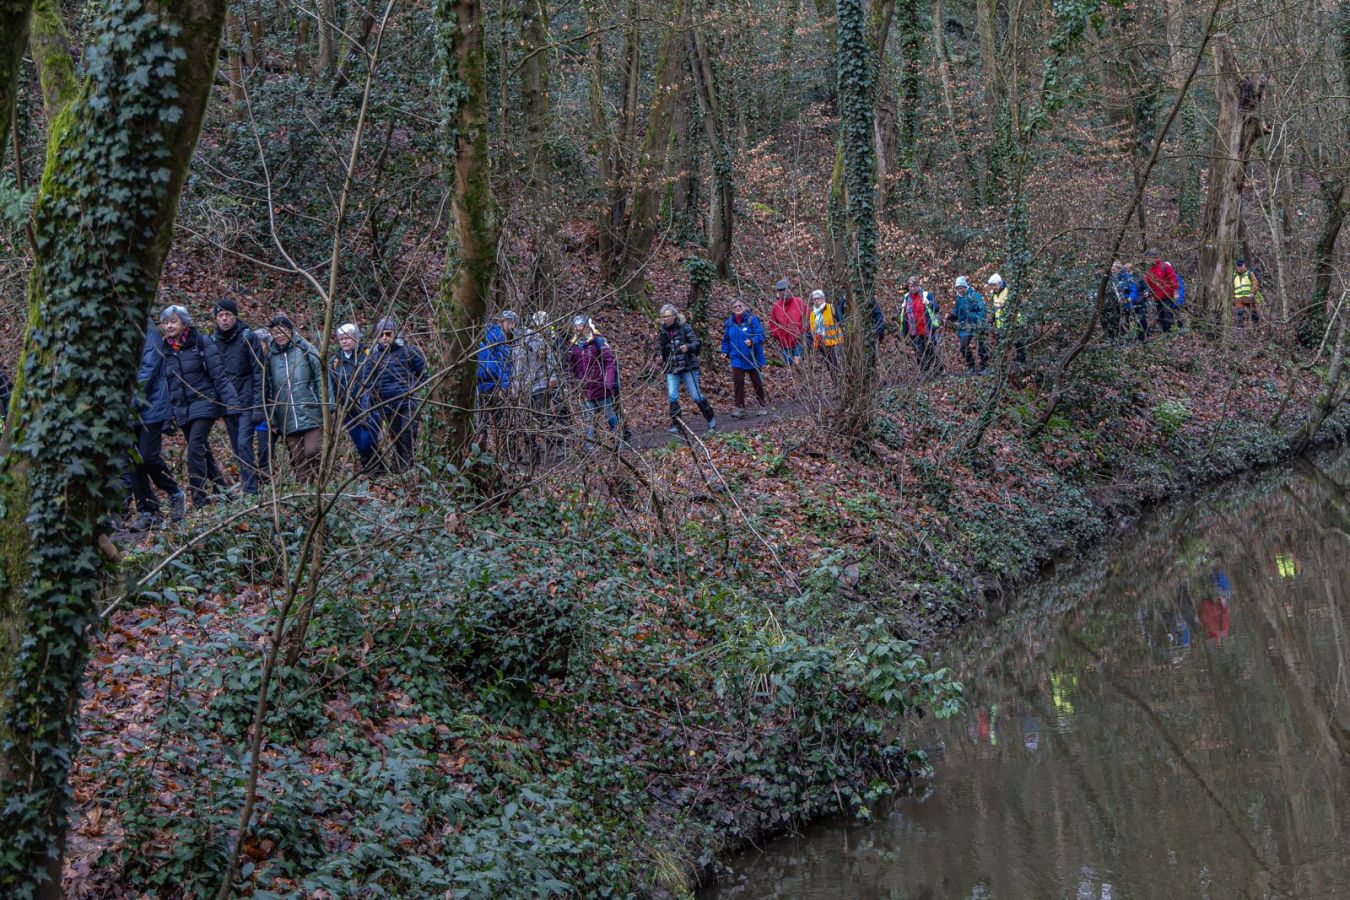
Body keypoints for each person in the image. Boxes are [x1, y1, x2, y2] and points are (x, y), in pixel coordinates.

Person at [159, 305, 239, 508]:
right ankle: (224, 491)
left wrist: (232, 403)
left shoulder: (201, 342)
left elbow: (219, 375)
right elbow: (165, 386)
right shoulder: (164, 350)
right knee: (204, 452)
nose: (169, 326)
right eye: (166, 323)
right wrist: (167, 416)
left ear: (185, 323)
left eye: (173, 321)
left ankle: (199, 501)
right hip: (182, 408)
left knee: (194, 450)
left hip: (205, 402)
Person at [128, 321, 186, 530]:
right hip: (128, 406)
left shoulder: (147, 329)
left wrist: (131, 401)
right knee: (132, 458)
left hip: (151, 405)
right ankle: (147, 511)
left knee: (147, 456)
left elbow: (149, 368)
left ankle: (174, 492)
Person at [210, 297, 264, 495]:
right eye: (220, 315)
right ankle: (251, 482)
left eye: (228, 315)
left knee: (243, 443)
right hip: (227, 404)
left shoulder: (247, 337)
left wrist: (258, 405)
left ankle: (251, 489)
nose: (224, 319)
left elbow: (259, 372)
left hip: (246, 401)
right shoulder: (212, 341)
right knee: (237, 447)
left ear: (235, 316)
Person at [265, 314, 328, 483]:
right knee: (298, 458)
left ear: (291, 331)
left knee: (313, 451)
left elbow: (321, 377)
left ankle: (321, 485)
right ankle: (305, 490)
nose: (279, 335)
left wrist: (327, 406)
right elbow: (269, 389)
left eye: (282, 331)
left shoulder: (305, 348)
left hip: (311, 412)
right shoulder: (270, 357)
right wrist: (273, 418)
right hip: (286, 416)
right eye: (275, 332)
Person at [361, 317, 426, 473]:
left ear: (395, 333)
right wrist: (367, 406)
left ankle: (407, 471)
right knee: (397, 439)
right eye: (381, 334)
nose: (384, 338)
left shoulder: (409, 351)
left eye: (388, 334)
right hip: (387, 406)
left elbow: (424, 374)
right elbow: (367, 382)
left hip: (408, 402)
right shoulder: (373, 356)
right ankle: (400, 470)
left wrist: (417, 391)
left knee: (408, 435)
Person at [658, 304, 716, 434]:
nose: (665, 319)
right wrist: (660, 357)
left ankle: (710, 417)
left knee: (696, 395)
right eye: (663, 317)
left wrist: (688, 347)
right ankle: (676, 423)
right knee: (672, 396)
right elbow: (661, 348)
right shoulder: (662, 331)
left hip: (688, 366)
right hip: (672, 368)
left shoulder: (684, 327)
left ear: (674, 316)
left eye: (667, 316)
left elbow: (697, 343)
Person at [331, 323, 379, 473]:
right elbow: (332, 385)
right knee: (359, 444)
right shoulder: (336, 361)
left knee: (367, 442)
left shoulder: (368, 355)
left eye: (348, 338)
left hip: (370, 407)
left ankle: (374, 470)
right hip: (348, 410)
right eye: (341, 339)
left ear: (356, 338)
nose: (344, 341)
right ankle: (375, 471)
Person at [567, 315, 619, 448]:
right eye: (576, 329)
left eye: (581, 329)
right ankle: (589, 446)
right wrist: (575, 384)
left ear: (587, 328)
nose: (579, 332)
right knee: (588, 417)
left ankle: (619, 440)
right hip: (585, 388)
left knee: (609, 414)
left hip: (601, 386)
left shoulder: (598, 342)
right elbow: (572, 366)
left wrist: (608, 381)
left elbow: (609, 362)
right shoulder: (573, 346)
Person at [721, 297, 768, 417]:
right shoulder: (729, 323)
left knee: (756, 382)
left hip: (752, 356)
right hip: (737, 357)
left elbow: (761, 335)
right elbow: (726, 340)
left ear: (744, 307)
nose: (738, 308)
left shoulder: (752, 319)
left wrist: (752, 341)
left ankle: (761, 405)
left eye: (739, 306)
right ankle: (740, 408)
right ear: (732, 309)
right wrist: (725, 351)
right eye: (735, 306)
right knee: (738, 382)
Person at [476, 311, 513, 454]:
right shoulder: (472, 334)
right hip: (477, 386)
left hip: (493, 385)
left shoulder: (496, 334)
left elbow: (504, 361)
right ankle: (480, 453)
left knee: (501, 421)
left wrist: (503, 385)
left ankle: (511, 452)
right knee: (480, 423)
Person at [900, 277, 940, 378]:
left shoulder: (926, 295)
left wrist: (929, 303)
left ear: (918, 286)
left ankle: (937, 370)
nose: (913, 288)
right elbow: (903, 315)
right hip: (914, 330)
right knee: (919, 352)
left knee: (931, 350)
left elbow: (936, 308)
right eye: (911, 286)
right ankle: (924, 373)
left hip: (928, 329)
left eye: (915, 286)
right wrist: (904, 332)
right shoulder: (905, 298)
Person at [949, 276, 989, 375]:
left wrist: (979, 321)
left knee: (981, 346)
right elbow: (956, 311)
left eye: (961, 288)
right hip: (965, 326)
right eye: (958, 288)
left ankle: (984, 366)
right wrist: (951, 316)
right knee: (963, 347)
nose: (960, 290)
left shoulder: (974, 295)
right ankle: (971, 366)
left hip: (977, 324)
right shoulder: (959, 298)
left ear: (965, 287)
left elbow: (982, 309)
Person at [986, 272, 1026, 365]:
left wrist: (1006, 306)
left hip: (1014, 322)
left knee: (1018, 343)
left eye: (995, 285)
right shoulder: (994, 294)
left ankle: (1022, 362)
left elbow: (1017, 304)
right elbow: (995, 308)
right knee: (1001, 344)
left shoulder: (1008, 292)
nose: (993, 287)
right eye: (992, 286)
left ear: (1000, 283)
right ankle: (1003, 364)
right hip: (1001, 325)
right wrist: (992, 318)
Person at [769, 278, 808, 367]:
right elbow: (772, 323)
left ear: (790, 289)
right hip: (784, 343)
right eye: (780, 290)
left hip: (798, 341)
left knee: (797, 364)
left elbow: (807, 318)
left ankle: (802, 376)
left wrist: (802, 332)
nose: (783, 292)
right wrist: (778, 335)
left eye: (785, 289)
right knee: (790, 367)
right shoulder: (776, 306)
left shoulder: (799, 302)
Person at [810, 289, 842, 382]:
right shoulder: (812, 314)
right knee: (830, 366)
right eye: (814, 299)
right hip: (822, 344)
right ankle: (836, 383)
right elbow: (813, 330)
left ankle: (841, 383)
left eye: (818, 298)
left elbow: (841, 321)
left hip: (835, 342)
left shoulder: (831, 308)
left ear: (823, 298)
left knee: (836, 364)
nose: (816, 300)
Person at [1145, 254, 1179, 334]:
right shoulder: (1150, 271)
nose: (1149, 260)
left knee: (1167, 314)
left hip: (1167, 295)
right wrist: (1147, 291)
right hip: (1157, 297)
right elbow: (1148, 283)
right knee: (1161, 316)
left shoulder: (1165, 266)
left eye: (1150, 258)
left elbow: (1173, 278)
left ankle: (1169, 333)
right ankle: (1165, 333)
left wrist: (1176, 291)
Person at [1232, 258, 1261, 327]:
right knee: (1240, 316)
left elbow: (1255, 284)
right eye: (1238, 266)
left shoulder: (1249, 273)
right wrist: (1233, 298)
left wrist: (1252, 292)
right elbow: (1232, 288)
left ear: (1244, 265)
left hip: (1249, 297)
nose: (1240, 267)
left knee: (1254, 314)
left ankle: (1256, 328)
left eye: (1241, 266)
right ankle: (1240, 331)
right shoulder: (1234, 276)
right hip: (1239, 299)